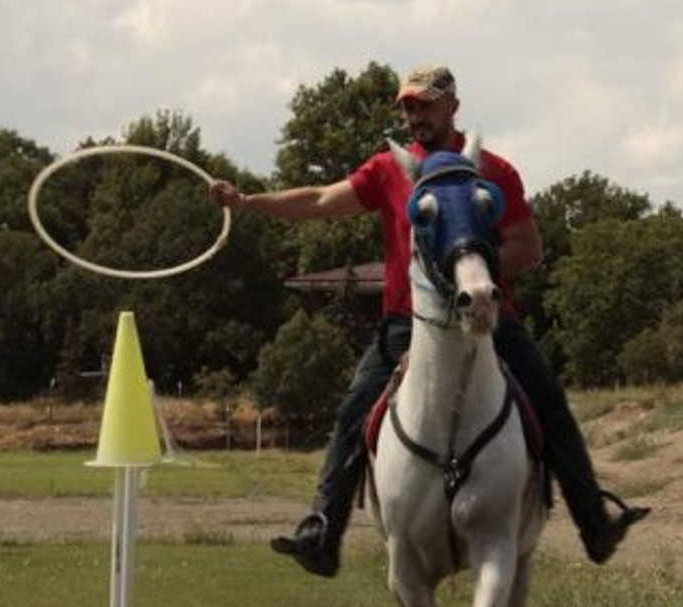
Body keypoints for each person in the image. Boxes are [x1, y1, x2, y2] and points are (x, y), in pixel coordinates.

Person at [209, 64, 648, 578]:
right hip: (407, 325)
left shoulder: (494, 171)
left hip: (486, 316)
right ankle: (323, 531)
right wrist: (248, 202)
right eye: (408, 107)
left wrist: (467, 277)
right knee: (354, 411)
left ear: (452, 107)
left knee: (548, 400)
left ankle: (594, 523)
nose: (415, 116)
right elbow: (323, 199)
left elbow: (528, 249)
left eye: (426, 105)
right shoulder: (388, 170)